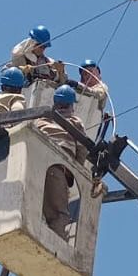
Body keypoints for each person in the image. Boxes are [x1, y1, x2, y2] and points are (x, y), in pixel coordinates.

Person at [34, 85, 87, 240]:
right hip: (56, 170)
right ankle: (54, 253)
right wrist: (75, 172)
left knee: (32, 214)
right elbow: (82, 149)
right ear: (71, 105)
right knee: (59, 216)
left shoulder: (41, 120)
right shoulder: (75, 122)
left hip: (35, 167)